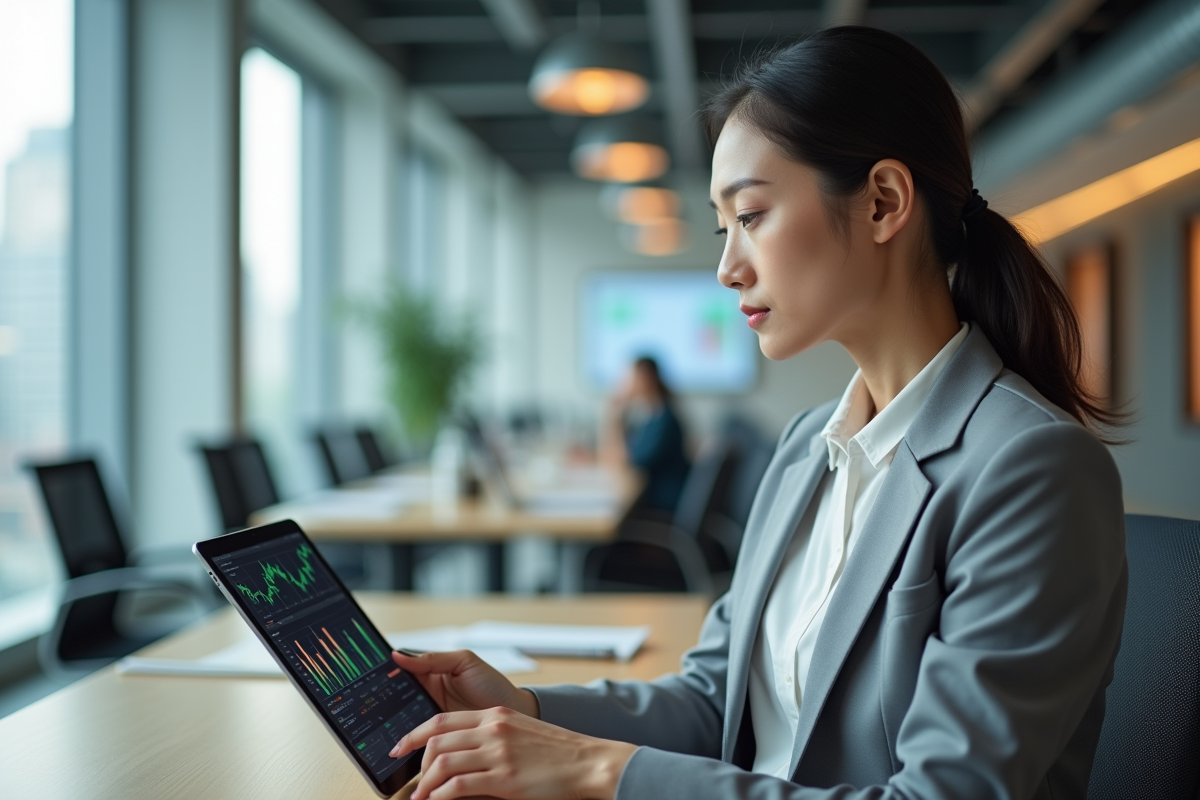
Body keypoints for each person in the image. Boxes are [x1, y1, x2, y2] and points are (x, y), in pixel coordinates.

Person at [384, 27, 1128, 800]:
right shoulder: (809, 447)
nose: (727, 268)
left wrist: (590, 769)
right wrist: (531, 711)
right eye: (722, 226)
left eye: (752, 216)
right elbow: (717, 702)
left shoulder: (1031, 468)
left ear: (883, 202)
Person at [600, 356, 690, 514]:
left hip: (661, 505)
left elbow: (624, 461)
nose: (628, 385)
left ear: (646, 379)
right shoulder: (653, 416)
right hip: (657, 498)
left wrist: (614, 415)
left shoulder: (663, 422)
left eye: (632, 379)